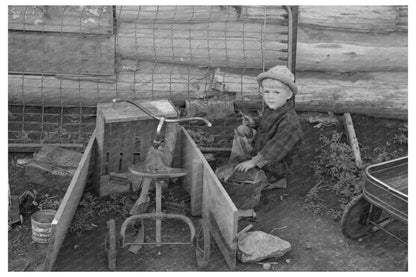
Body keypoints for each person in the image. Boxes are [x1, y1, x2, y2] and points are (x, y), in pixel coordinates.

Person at [221, 65, 303, 191]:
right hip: (264, 150)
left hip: (277, 163)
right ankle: (240, 166)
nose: (270, 97)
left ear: (289, 95)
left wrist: (254, 162)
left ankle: (275, 180)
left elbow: (276, 147)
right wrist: (253, 124)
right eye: (266, 92)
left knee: (246, 185)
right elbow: (266, 124)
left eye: (276, 92)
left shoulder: (289, 122)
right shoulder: (272, 108)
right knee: (241, 131)